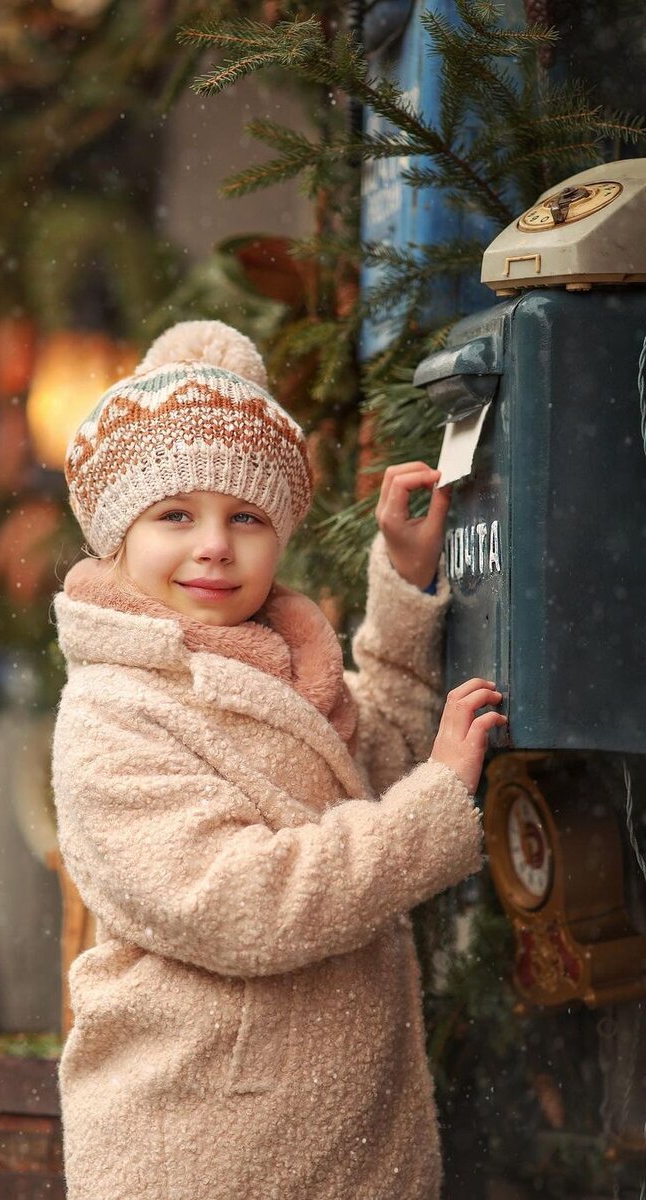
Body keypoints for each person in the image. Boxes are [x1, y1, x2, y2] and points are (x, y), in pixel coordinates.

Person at [49, 320, 506, 1200]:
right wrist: (435, 806)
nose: (214, 544)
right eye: (175, 514)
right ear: (115, 537)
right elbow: (247, 905)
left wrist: (408, 591)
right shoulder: (111, 713)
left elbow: (377, 764)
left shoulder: (278, 661)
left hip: (334, 1144)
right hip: (203, 1147)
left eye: (246, 517)